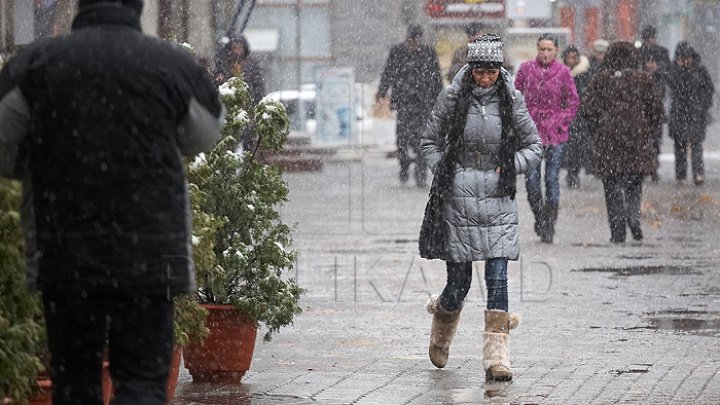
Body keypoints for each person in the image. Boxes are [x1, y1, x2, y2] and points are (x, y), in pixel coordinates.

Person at [0, 1, 224, 404]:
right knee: (141, 382)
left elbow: (2, 139)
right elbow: (205, 133)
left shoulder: (35, 64)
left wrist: (37, 163)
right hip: (150, 254)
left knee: (75, 379)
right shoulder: (170, 64)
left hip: (66, 249)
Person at [420, 34, 542, 381]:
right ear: (470, 69)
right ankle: (442, 326)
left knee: (498, 279)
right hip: (457, 200)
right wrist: (445, 169)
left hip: (499, 201)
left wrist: (511, 162)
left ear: (499, 70)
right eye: (479, 72)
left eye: (491, 72)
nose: (485, 78)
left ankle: (497, 359)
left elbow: (534, 145)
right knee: (459, 283)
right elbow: (429, 140)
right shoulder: (453, 97)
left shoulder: (511, 100)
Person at [582, 41, 664, 243]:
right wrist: (648, 129)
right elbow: (657, 111)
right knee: (635, 182)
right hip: (638, 138)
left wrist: (598, 130)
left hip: (608, 140)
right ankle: (633, 216)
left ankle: (617, 229)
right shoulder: (643, 80)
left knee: (611, 186)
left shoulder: (601, 80)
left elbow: (589, 110)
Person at [514, 33, 579, 243]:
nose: (545, 53)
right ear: (537, 48)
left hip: (556, 133)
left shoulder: (563, 72)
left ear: (556, 50)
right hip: (530, 133)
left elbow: (572, 102)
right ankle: (540, 217)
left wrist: (561, 121)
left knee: (551, 179)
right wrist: (521, 119)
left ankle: (550, 222)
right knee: (531, 181)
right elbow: (514, 96)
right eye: (542, 49)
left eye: (549, 49)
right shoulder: (526, 69)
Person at [377, 24, 443, 187]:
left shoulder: (428, 53)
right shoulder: (397, 52)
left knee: (422, 138)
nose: (414, 45)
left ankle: (420, 172)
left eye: (417, 41)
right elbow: (388, 73)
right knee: (402, 138)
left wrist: (440, 99)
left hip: (423, 103)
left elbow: (436, 77)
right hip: (403, 102)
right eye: (412, 41)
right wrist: (382, 92)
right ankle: (404, 166)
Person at [667, 41, 714, 186]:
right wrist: (679, 70)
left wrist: (703, 106)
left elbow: (709, 90)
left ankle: (698, 173)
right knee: (679, 146)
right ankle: (680, 176)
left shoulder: (700, 71)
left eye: (687, 57)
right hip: (679, 114)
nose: (686, 61)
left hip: (696, 114)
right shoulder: (674, 71)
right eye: (682, 58)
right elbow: (671, 85)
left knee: (696, 146)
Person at [639, 25, 671, 183]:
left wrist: (657, 69)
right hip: (642, 102)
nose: (650, 41)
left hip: (657, 101)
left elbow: (668, 72)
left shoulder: (662, 52)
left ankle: (654, 166)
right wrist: (645, 70)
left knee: (656, 138)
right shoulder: (638, 53)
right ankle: (646, 166)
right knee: (643, 138)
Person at [561, 45, 592, 188]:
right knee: (568, 147)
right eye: (569, 57)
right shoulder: (560, 74)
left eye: (574, 58)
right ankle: (571, 173)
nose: (571, 60)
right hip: (564, 117)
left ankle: (574, 173)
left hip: (580, 116)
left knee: (577, 147)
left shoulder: (584, 74)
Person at [214, 35, 266, 105]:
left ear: (245, 48)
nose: (238, 51)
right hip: (229, 102)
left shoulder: (252, 65)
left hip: (248, 103)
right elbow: (218, 81)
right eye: (235, 47)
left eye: (240, 47)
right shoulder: (224, 64)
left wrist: (257, 101)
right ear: (230, 49)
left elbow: (258, 86)